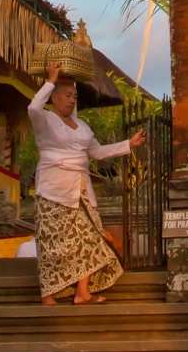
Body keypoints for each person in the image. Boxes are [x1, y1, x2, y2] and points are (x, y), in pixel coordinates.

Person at [29, 62, 145, 305]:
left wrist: (128, 144)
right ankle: (48, 295)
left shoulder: (82, 126)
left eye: (75, 96)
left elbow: (98, 152)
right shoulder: (46, 120)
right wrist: (50, 80)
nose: (72, 100)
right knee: (53, 243)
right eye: (68, 95)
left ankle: (82, 292)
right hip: (54, 189)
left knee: (89, 238)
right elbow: (33, 107)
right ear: (55, 97)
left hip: (81, 189)